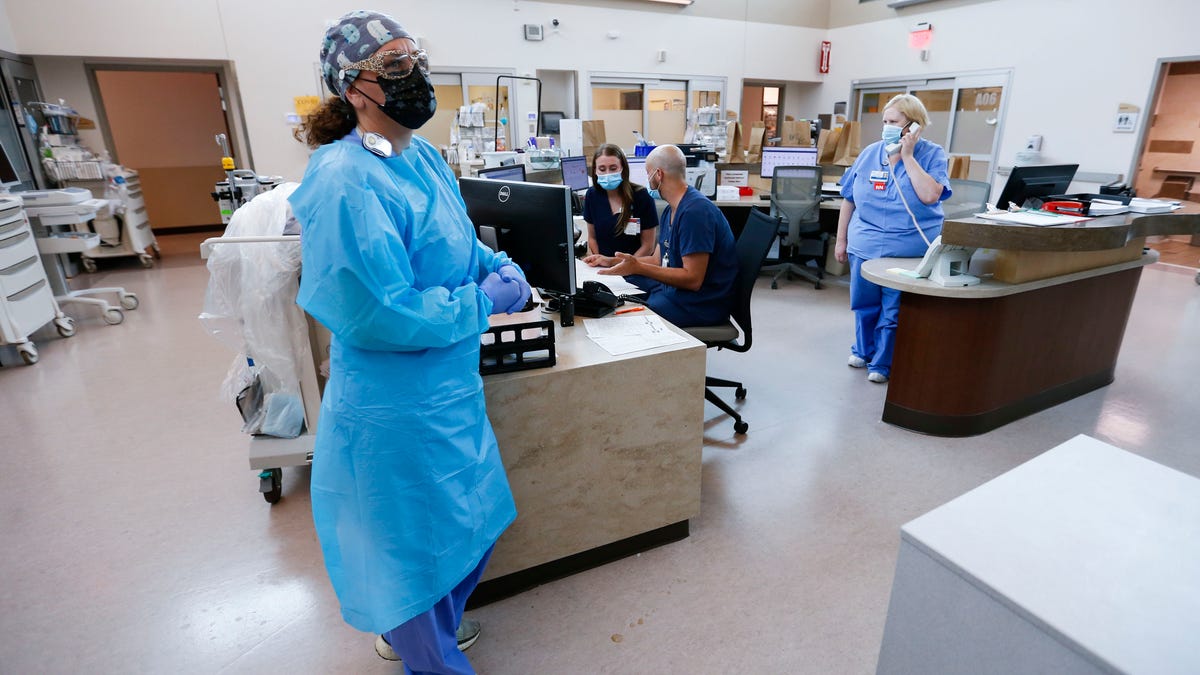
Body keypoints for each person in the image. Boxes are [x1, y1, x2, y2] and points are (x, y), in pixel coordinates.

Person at [288, 10, 529, 673]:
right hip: (392, 405)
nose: (415, 76)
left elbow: (454, 238)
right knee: (409, 552)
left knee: (468, 526)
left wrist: (493, 267)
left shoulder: (419, 157)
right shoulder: (344, 180)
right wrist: (484, 301)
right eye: (394, 66)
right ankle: (431, 656)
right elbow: (379, 311)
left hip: (450, 389)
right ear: (353, 87)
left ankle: (435, 630)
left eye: (414, 58)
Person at [834, 94, 951, 384]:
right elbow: (849, 198)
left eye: (893, 122)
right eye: (884, 121)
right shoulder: (870, 153)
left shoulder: (932, 154)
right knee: (863, 303)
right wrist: (841, 240)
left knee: (892, 308)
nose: (886, 127)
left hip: (908, 248)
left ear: (914, 126)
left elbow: (929, 195)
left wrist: (907, 157)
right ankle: (862, 350)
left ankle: (883, 363)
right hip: (865, 245)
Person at [597, 144, 737, 328]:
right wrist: (611, 261)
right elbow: (657, 259)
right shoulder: (671, 209)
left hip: (701, 304)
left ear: (659, 175)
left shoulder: (695, 212)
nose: (648, 179)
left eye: (648, 174)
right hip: (678, 293)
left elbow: (693, 280)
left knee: (630, 319)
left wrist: (638, 267)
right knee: (626, 284)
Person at [581, 143, 658, 261]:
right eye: (602, 169)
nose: (608, 173)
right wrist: (598, 259)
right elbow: (592, 238)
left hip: (635, 267)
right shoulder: (592, 195)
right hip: (602, 268)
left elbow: (648, 246)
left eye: (613, 168)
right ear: (595, 171)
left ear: (622, 168)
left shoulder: (641, 196)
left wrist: (627, 266)